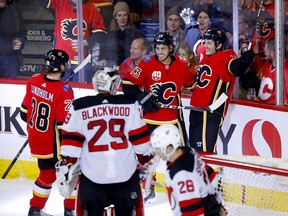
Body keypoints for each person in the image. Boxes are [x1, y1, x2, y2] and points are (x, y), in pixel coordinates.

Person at [59, 67, 153, 216]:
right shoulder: (130, 104)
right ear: (114, 85)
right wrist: (146, 159)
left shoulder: (78, 106)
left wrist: (67, 164)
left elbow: (70, 148)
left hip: (92, 177)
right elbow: (141, 144)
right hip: (125, 176)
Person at [122, 32, 196, 202]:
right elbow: (128, 84)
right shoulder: (147, 63)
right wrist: (143, 97)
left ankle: (182, 188)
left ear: (171, 48)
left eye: (163, 48)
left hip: (173, 120)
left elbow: (193, 84)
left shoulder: (182, 65)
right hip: (149, 120)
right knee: (145, 156)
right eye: (157, 48)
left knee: (181, 156)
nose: (160, 51)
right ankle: (148, 187)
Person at [19, 49, 75, 216]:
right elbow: (62, 126)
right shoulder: (65, 90)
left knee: (47, 175)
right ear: (63, 67)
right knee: (71, 177)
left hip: (37, 141)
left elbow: (24, 113)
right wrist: (66, 152)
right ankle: (70, 211)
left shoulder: (34, 80)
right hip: (55, 144)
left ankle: (35, 210)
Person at [189, 28, 255, 153]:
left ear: (219, 45)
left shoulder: (225, 58)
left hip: (210, 111)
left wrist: (246, 57)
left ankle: (211, 172)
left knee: (206, 151)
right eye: (204, 42)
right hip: (195, 109)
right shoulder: (204, 54)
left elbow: (238, 68)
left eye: (209, 43)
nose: (205, 46)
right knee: (194, 151)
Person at [150, 124, 224, 216]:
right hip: (211, 207)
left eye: (158, 148)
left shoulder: (181, 173)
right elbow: (212, 177)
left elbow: (193, 212)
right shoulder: (189, 151)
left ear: (169, 147)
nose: (156, 152)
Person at [37, 0, 106, 83]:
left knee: (81, 92)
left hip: (82, 62)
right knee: (59, 90)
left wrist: (86, 42)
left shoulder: (92, 8)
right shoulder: (60, 2)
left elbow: (101, 34)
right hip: (59, 61)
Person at [99, 1, 144, 68]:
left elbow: (143, 51)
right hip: (111, 66)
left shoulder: (136, 33)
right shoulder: (109, 33)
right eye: (119, 15)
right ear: (115, 17)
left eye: (125, 15)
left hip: (130, 66)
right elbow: (104, 48)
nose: (122, 18)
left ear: (128, 16)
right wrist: (102, 59)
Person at [256, 38, 288, 105]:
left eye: (266, 51)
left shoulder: (286, 70)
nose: (265, 54)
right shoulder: (267, 65)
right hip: (261, 109)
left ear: (273, 54)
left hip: (274, 112)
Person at [0, 0, 26, 78]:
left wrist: (20, 41)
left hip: (11, 58)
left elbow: (22, 31)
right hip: (9, 56)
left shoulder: (14, 9)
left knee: (10, 88)